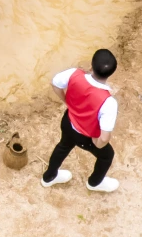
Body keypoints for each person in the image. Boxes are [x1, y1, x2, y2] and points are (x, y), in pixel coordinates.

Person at [41, 49, 120, 191]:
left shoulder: (74, 74)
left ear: (91, 66)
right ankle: (95, 183)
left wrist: (66, 101)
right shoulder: (109, 102)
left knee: (63, 146)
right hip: (86, 137)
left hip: (68, 121)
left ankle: (49, 177)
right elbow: (104, 138)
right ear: (111, 74)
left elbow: (55, 83)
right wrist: (96, 143)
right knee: (107, 156)